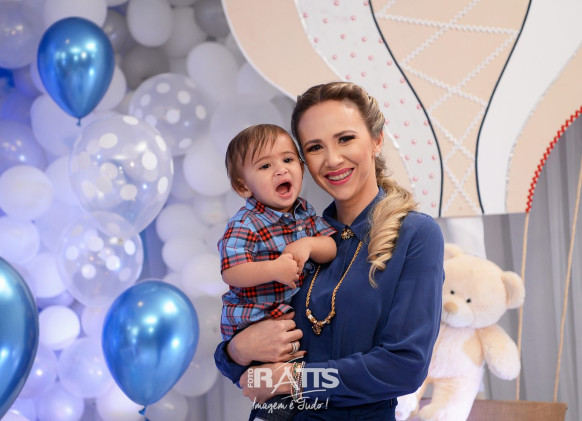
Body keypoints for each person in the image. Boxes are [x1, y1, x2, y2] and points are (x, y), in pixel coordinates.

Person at [214, 82, 444, 420]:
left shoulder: (415, 235)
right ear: (304, 160)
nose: (332, 159)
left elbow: (404, 367)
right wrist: (238, 349)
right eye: (315, 147)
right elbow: (243, 366)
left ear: (376, 140)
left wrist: (294, 379)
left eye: (345, 139)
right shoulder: (293, 233)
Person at [218, 124, 337, 420]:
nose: (281, 169)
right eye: (265, 166)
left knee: (290, 376)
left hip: (284, 318)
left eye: (288, 159)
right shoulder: (246, 223)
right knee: (271, 383)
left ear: (301, 167)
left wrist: (309, 244)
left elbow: (331, 248)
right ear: (243, 186)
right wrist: (273, 269)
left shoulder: (304, 212)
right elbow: (232, 271)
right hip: (252, 317)